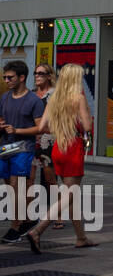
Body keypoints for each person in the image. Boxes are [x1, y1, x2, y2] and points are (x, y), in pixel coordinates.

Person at [26, 62, 96, 252]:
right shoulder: (78, 98)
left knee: (70, 194)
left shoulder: (54, 99)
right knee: (69, 194)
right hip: (73, 146)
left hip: (58, 146)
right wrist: (85, 116)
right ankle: (39, 229)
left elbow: (41, 128)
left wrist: (60, 126)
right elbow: (88, 126)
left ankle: (81, 237)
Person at [0, 60, 45, 243]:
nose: (6, 80)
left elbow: (40, 128)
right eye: (5, 77)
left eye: (10, 77)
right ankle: (28, 219)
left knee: (17, 187)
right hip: (5, 146)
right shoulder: (4, 97)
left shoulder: (33, 100)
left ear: (22, 77)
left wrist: (17, 130)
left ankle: (15, 227)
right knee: (10, 189)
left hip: (23, 148)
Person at [32, 63, 55, 196]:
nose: (37, 76)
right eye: (36, 73)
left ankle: (53, 207)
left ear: (49, 76)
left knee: (49, 176)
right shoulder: (31, 93)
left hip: (48, 138)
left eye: (41, 73)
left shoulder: (55, 95)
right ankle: (28, 211)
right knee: (29, 176)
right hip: (32, 137)